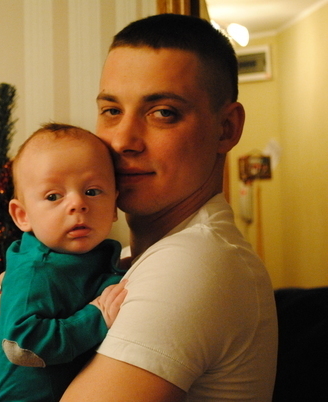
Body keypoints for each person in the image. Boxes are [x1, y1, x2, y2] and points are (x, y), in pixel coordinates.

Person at [58, 14, 279, 401]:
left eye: (162, 112)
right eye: (112, 111)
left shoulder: (194, 262)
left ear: (226, 128)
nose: (123, 141)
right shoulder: (130, 259)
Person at [0, 123, 128, 402]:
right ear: (23, 215)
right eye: (53, 196)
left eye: (93, 191)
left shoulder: (82, 255)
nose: (77, 204)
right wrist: (95, 318)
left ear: (114, 206)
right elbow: (21, 345)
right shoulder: (36, 270)